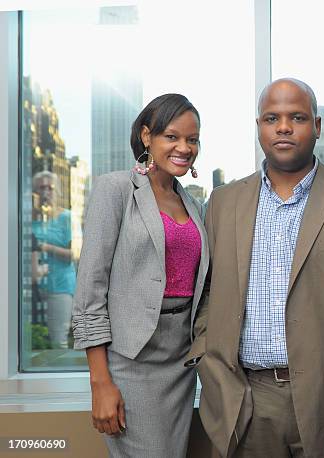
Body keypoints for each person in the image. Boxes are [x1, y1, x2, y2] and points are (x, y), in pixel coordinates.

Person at [187, 78, 324, 457]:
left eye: (297, 117)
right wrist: (207, 359)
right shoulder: (224, 203)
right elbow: (208, 292)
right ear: (258, 126)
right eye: (271, 118)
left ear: (317, 127)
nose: (283, 127)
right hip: (244, 403)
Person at [71, 93, 209, 457]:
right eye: (172, 136)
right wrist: (100, 383)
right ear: (147, 137)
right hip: (131, 361)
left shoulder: (193, 204)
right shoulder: (115, 189)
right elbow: (90, 292)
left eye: (192, 139)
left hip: (181, 362)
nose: (184, 147)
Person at [32, 171, 76, 349]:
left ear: (57, 191)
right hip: (33, 287)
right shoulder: (28, 218)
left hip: (60, 286)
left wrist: (44, 247)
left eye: (49, 188)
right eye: (41, 188)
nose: (45, 192)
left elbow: (75, 253)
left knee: (58, 340)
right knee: (34, 339)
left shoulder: (66, 217)